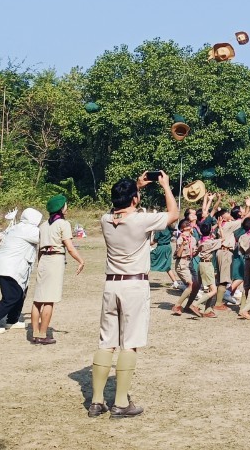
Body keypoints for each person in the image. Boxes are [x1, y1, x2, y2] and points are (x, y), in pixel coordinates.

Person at [87, 171, 177, 419]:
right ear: (135, 200)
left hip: (111, 284)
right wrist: (165, 186)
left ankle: (96, 401)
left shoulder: (106, 220)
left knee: (106, 342)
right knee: (130, 343)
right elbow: (173, 214)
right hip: (134, 285)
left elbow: (118, 209)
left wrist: (136, 186)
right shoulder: (140, 220)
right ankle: (120, 402)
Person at [32, 194, 85, 345]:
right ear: (61, 208)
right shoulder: (63, 224)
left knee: (38, 299)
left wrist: (40, 263)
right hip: (55, 260)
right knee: (49, 299)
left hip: (43, 260)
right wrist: (80, 260)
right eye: (65, 205)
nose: (67, 208)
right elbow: (70, 247)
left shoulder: (43, 225)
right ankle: (42, 334)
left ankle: (35, 333)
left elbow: (40, 249)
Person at [0, 207, 41, 333]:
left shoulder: (17, 227)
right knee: (11, 296)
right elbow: (45, 238)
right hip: (9, 268)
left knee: (20, 292)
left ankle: (12, 320)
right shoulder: (29, 229)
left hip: (5, 267)